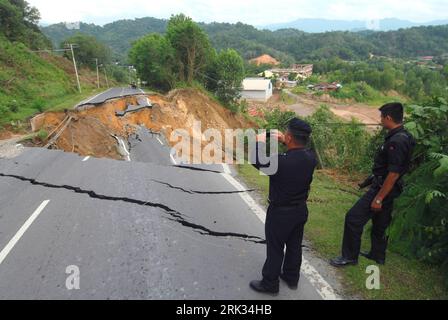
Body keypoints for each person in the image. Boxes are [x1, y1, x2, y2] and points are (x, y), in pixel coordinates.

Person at [330, 102, 415, 267]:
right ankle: (377, 255)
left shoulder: (396, 141)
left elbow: (393, 173)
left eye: (382, 117)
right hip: (389, 187)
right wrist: (366, 182)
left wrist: (379, 198)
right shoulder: (404, 135)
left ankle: (349, 257)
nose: (380, 120)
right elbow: (388, 168)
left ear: (388, 117)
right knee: (380, 223)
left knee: (353, 218)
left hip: (384, 189)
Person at [249, 118, 318, 295]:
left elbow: (256, 159)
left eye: (286, 134)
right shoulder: (311, 157)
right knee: (295, 245)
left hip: (280, 213)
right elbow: (297, 152)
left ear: (289, 137)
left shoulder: (280, 161)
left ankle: (270, 284)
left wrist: (259, 142)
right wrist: (286, 140)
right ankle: (291, 277)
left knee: (275, 248)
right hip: (300, 210)